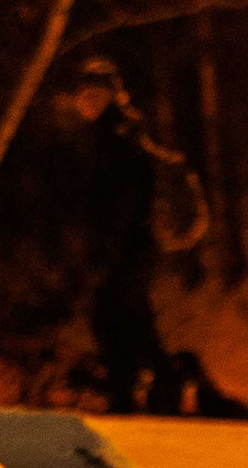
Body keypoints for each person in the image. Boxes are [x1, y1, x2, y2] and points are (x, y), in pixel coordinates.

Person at [71, 55, 177, 416]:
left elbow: (120, 203)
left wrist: (106, 255)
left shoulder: (117, 138)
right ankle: (154, 389)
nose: (82, 100)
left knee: (114, 321)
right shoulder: (117, 133)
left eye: (90, 92)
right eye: (80, 92)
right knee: (130, 321)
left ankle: (136, 394)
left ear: (109, 95)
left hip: (127, 251)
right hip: (130, 250)